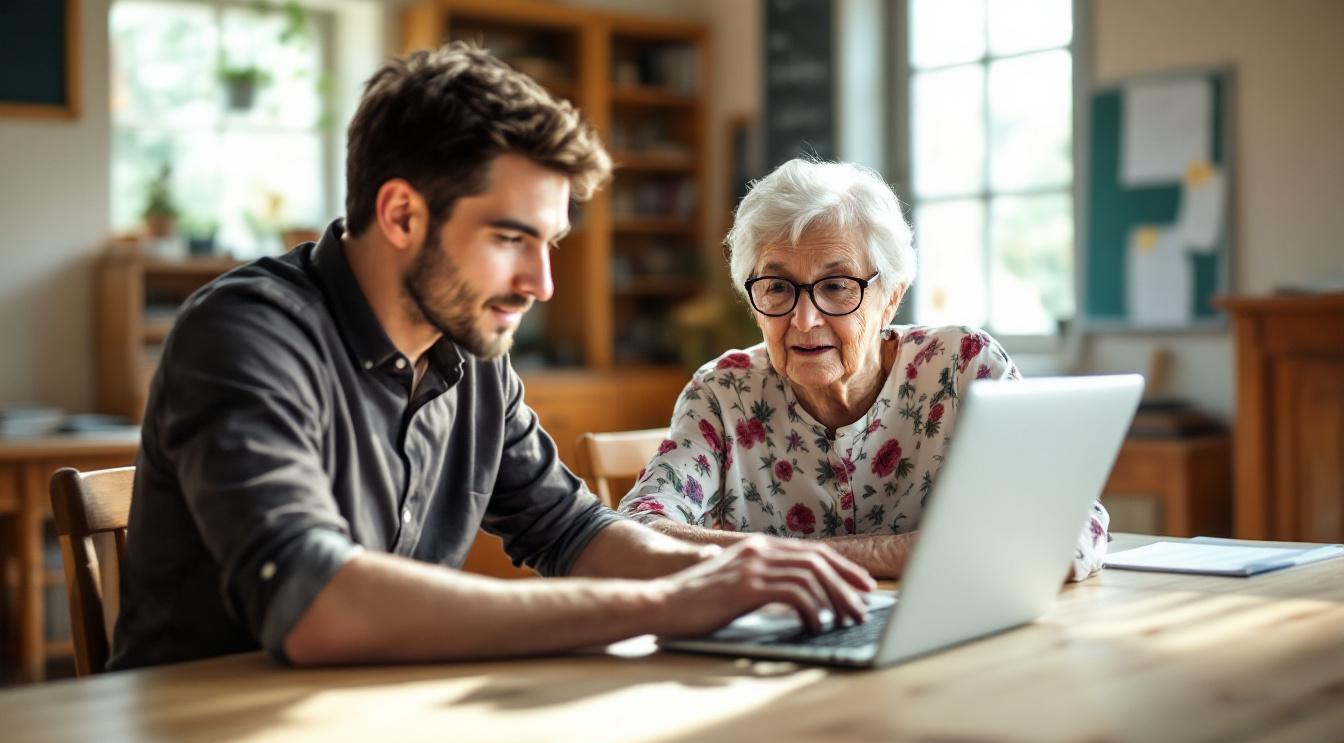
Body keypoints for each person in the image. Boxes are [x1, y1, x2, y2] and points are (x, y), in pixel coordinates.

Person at [109, 44, 875, 672]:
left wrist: (741, 577)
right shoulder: (248, 335)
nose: (541, 285)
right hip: (201, 736)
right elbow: (314, 606)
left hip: (381, 723)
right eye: (512, 239)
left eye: (550, 244)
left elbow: (573, 532)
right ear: (402, 213)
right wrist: (666, 605)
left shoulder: (470, 350)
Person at [617, 158, 1109, 581]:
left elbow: (1071, 530)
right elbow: (637, 533)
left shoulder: (963, 370)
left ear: (890, 298)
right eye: (777, 287)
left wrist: (799, 559)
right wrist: (890, 555)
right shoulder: (724, 393)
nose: (804, 320)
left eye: (836, 287)